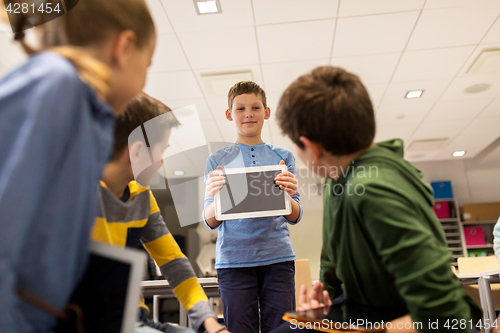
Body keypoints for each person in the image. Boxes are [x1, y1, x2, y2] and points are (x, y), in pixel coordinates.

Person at [273, 66, 482, 333]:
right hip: (367, 307)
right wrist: (325, 300)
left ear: (312, 148)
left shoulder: (372, 191)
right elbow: (333, 255)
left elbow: (444, 314)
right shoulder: (336, 179)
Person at [0, 0, 156, 332]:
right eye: (148, 63)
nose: (144, 80)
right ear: (124, 47)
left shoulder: (91, 117)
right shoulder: (57, 85)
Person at [91, 92, 228, 333]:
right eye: (160, 151)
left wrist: (212, 326)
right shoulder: (81, 196)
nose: (161, 163)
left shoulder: (142, 197)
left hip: (137, 317)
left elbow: (175, 265)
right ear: (135, 152)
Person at [203, 81, 303, 333]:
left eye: (255, 107)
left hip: (277, 259)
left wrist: (288, 194)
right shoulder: (217, 160)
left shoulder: (283, 157)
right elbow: (209, 220)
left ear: (266, 112)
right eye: (240, 109)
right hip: (233, 262)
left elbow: (295, 215)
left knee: (280, 330)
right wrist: (213, 194)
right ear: (229, 115)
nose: (248, 113)